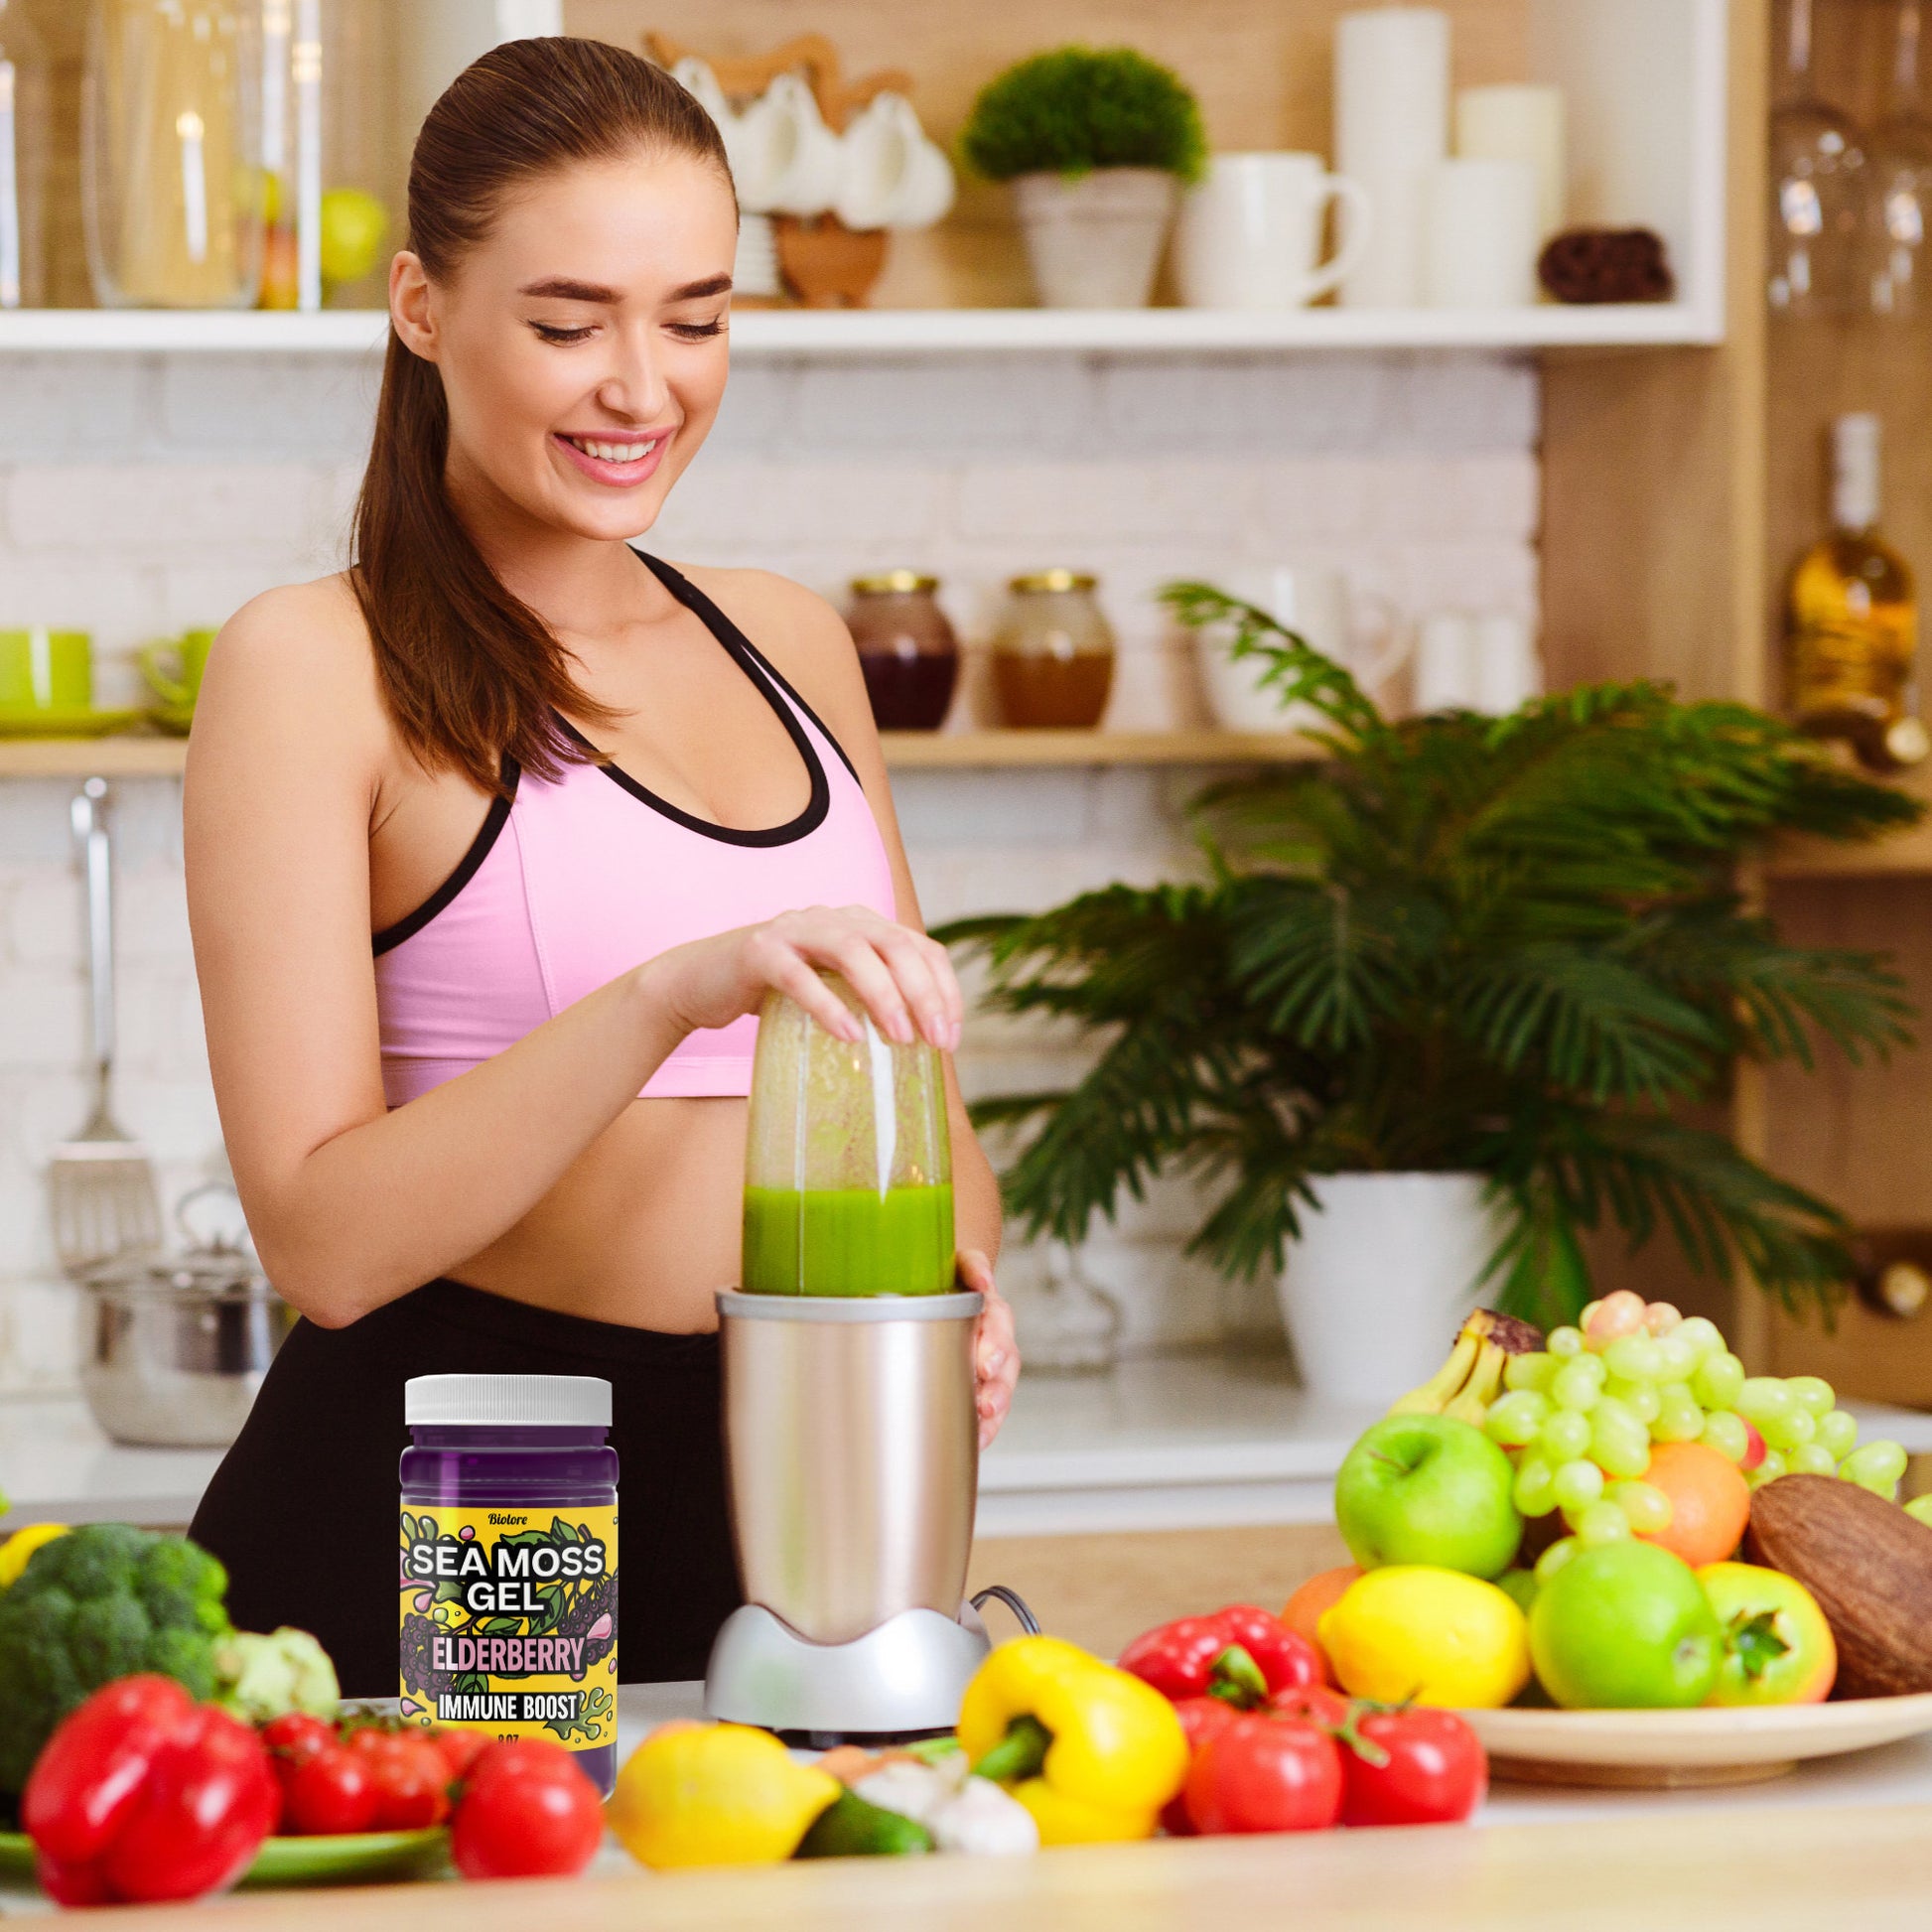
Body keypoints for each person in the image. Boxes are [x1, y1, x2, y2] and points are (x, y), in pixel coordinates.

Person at [185, 37, 1017, 1696]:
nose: (643, 386)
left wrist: (962, 1285)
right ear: (423, 307)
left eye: (696, 318)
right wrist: (672, 992)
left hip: (797, 1491)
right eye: (569, 324)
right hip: (468, 1484)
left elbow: (926, 1094)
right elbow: (324, 1243)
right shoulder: (312, 664)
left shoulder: (789, 638)